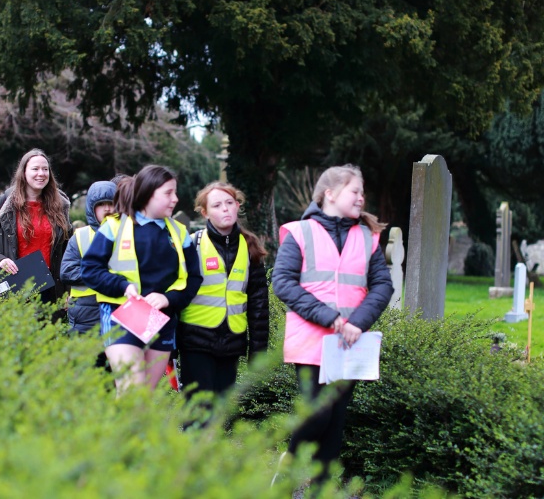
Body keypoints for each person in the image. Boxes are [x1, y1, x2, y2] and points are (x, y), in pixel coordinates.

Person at [271, 164, 393, 482]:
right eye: (355, 191)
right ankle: (289, 466)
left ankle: (321, 489)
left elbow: (383, 285)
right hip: (311, 340)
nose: (361, 198)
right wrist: (331, 318)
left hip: (349, 341)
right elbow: (283, 282)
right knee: (318, 413)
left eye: (362, 192)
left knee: (336, 422)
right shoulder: (300, 233)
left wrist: (357, 323)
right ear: (330, 193)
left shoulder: (368, 237)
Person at [81, 165, 202, 393]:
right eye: (168, 193)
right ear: (147, 193)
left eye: (175, 192)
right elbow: (89, 269)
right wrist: (123, 286)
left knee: (143, 398)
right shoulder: (114, 226)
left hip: (161, 320)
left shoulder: (180, 233)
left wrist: (168, 299)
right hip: (121, 315)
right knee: (131, 393)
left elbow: (194, 279)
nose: (175, 199)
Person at [178, 182, 270, 397]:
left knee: (221, 412)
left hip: (232, 341)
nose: (225, 208)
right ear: (205, 213)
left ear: (238, 206)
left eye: (229, 203)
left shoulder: (250, 246)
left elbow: (259, 303)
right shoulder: (192, 244)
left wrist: (258, 352)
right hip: (195, 341)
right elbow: (176, 293)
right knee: (199, 411)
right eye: (217, 205)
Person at [0, 149, 71, 303]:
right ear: (23, 172)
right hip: (14, 284)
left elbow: (67, 251)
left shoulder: (61, 205)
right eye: (35, 169)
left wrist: (67, 290)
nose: (41, 173)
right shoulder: (5, 202)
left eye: (45, 169)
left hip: (50, 288)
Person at [60, 180, 116, 334]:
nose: (107, 208)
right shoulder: (80, 236)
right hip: (86, 311)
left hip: (119, 307)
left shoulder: (129, 235)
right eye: (101, 204)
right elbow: (67, 271)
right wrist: (100, 275)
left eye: (111, 203)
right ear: (92, 208)